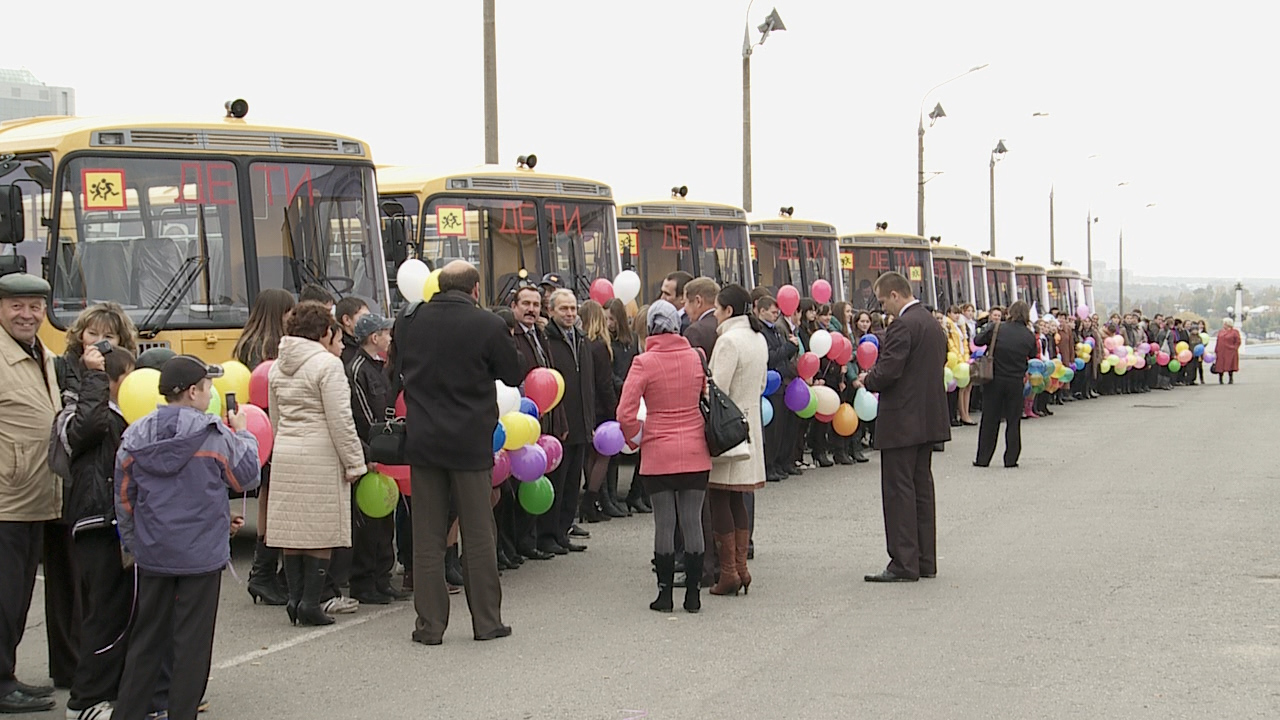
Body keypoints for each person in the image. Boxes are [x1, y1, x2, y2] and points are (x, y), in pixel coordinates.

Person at [112, 355, 260, 720]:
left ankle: (128, 712)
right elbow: (247, 477)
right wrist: (243, 432)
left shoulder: (135, 434)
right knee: (192, 645)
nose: (210, 393)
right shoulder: (214, 434)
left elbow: (124, 498)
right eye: (208, 387)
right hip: (201, 556)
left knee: (146, 641)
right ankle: (182, 712)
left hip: (154, 552)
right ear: (194, 391)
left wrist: (134, 542)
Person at [397, 261, 523, 644]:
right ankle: (487, 622)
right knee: (479, 532)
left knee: (428, 536)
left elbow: (397, 368)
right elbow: (513, 373)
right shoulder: (487, 324)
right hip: (469, 440)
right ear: (475, 289)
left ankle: (430, 626)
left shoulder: (410, 322)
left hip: (423, 440)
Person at [266, 301, 368, 626]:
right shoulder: (327, 364)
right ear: (325, 331)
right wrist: (354, 462)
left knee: (293, 530)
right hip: (320, 451)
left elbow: (275, 416)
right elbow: (340, 419)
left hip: (286, 449)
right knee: (321, 532)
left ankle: (295, 599)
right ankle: (311, 601)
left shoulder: (276, 366)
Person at [60, 337, 137, 720]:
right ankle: (85, 701)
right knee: (103, 616)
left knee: (119, 613)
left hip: (114, 524)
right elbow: (87, 428)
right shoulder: (86, 412)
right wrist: (93, 378)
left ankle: (111, 690)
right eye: (127, 378)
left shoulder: (121, 414)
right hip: (95, 522)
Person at [617, 301, 711, 613]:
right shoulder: (696, 357)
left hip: (658, 449)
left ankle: (665, 594)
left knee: (664, 523)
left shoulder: (643, 362)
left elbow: (625, 413)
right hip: (695, 447)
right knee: (692, 521)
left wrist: (637, 436)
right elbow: (703, 396)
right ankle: (694, 595)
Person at [855, 272, 948, 583]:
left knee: (898, 491)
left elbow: (890, 370)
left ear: (895, 295)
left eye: (883, 302)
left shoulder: (903, 326)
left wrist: (867, 378)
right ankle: (925, 559)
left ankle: (903, 562)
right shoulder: (933, 323)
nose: (884, 309)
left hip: (902, 420)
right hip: (928, 418)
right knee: (922, 489)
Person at [0, 274, 63, 715]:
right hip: (7, 497)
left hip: (36, 495)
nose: (27, 315)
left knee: (18, 596)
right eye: (16, 306)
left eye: (35, 307)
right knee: (4, 597)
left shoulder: (43, 354)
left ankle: (7, 675)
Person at [234, 288, 297, 608]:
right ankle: (264, 573)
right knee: (275, 503)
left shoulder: (245, 343)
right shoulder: (273, 349)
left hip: (254, 430)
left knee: (266, 500)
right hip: (273, 428)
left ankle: (263, 572)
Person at [705, 284, 769, 597]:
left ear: (728, 310)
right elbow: (758, 385)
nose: (714, 315)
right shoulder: (758, 338)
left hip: (728, 429)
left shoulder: (728, 340)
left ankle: (729, 571)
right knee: (738, 498)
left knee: (719, 496)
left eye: (717, 309)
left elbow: (717, 389)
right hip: (751, 426)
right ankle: (741, 567)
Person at [346, 312, 411, 604]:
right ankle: (364, 580)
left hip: (388, 451)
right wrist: (369, 451)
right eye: (386, 333)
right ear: (374, 337)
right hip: (371, 451)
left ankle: (382, 577)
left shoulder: (381, 367)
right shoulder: (357, 369)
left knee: (385, 517)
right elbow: (361, 416)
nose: (390, 338)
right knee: (368, 521)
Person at [508, 282, 561, 561]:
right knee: (519, 483)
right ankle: (518, 542)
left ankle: (531, 538)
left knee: (536, 479)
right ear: (514, 306)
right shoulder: (511, 336)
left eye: (536, 304)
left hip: (542, 419)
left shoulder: (539, 335)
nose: (531, 309)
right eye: (526, 304)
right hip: (519, 420)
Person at [540, 289, 595, 555]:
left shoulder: (581, 339)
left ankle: (563, 530)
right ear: (551, 311)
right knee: (558, 483)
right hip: (560, 424)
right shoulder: (547, 340)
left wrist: (590, 420)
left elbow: (588, 383)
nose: (570, 314)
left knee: (573, 483)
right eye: (564, 309)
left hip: (581, 422)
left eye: (573, 309)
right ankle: (549, 533)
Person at [972, 301, 1038, 469]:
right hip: (1015, 381)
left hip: (994, 379)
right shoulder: (1029, 335)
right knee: (1013, 420)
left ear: (1010, 312)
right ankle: (1011, 459)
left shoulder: (997, 328)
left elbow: (978, 340)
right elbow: (1032, 353)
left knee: (989, 419)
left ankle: (983, 458)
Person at [578, 300, 621, 523]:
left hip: (585, 407)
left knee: (589, 456)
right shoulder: (600, 346)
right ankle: (590, 500)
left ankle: (590, 502)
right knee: (603, 455)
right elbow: (605, 383)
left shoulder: (581, 343)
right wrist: (615, 410)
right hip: (601, 408)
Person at [757, 295, 799, 481]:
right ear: (762, 311)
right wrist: (789, 347)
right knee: (771, 429)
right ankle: (768, 465)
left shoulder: (775, 331)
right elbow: (771, 357)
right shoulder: (761, 332)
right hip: (769, 383)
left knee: (780, 427)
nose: (776, 316)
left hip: (781, 381)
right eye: (773, 312)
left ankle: (777, 463)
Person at [604, 298, 640, 516]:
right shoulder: (606, 342)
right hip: (615, 395)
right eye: (605, 318)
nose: (608, 323)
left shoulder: (630, 341)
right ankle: (608, 495)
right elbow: (607, 372)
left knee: (620, 450)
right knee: (611, 450)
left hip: (628, 396)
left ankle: (617, 495)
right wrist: (623, 384)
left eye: (611, 318)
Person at [682, 277, 721, 357]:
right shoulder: (726, 324)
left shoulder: (695, 331)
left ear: (698, 301)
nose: (684, 309)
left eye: (685, 302)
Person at [335, 296, 370, 366]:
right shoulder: (341, 350)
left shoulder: (364, 342)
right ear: (347, 320)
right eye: (364, 317)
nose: (369, 322)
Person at [1215, 318, 1241, 384]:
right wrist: (1216, 349)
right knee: (1220, 365)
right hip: (1221, 351)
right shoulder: (1220, 332)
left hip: (1230, 351)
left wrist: (1234, 348)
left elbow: (1238, 341)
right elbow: (1218, 341)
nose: (1224, 325)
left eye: (1225, 323)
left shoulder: (1234, 332)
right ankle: (1220, 379)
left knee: (1230, 364)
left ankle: (1230, 378)